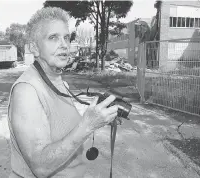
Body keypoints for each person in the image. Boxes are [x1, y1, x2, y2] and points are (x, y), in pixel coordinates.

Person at [7, 7, 119, 178]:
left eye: (66, 37)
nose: (64, 45)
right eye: (53, 38)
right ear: (34, 48)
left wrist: (99, 116)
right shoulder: (27, 90)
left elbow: (60, 126)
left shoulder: (57, 81)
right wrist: (88, 125)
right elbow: (40, 166)